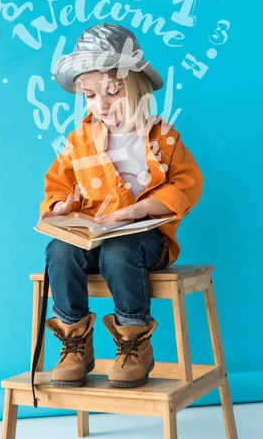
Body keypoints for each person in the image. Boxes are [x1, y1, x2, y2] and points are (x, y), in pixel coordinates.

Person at [31, 22, 203, 407]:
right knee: (59, 250)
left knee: (120, 251)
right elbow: (57, 183)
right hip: (95, 235)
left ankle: (134, 340)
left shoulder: (162, 137)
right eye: (91, 96)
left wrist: (139, 209)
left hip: (144, 241)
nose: (102, 105)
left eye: (113, 91)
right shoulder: (79, 139)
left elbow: (187, 183)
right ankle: (75, 342)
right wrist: (62, 206)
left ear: (138, 88)